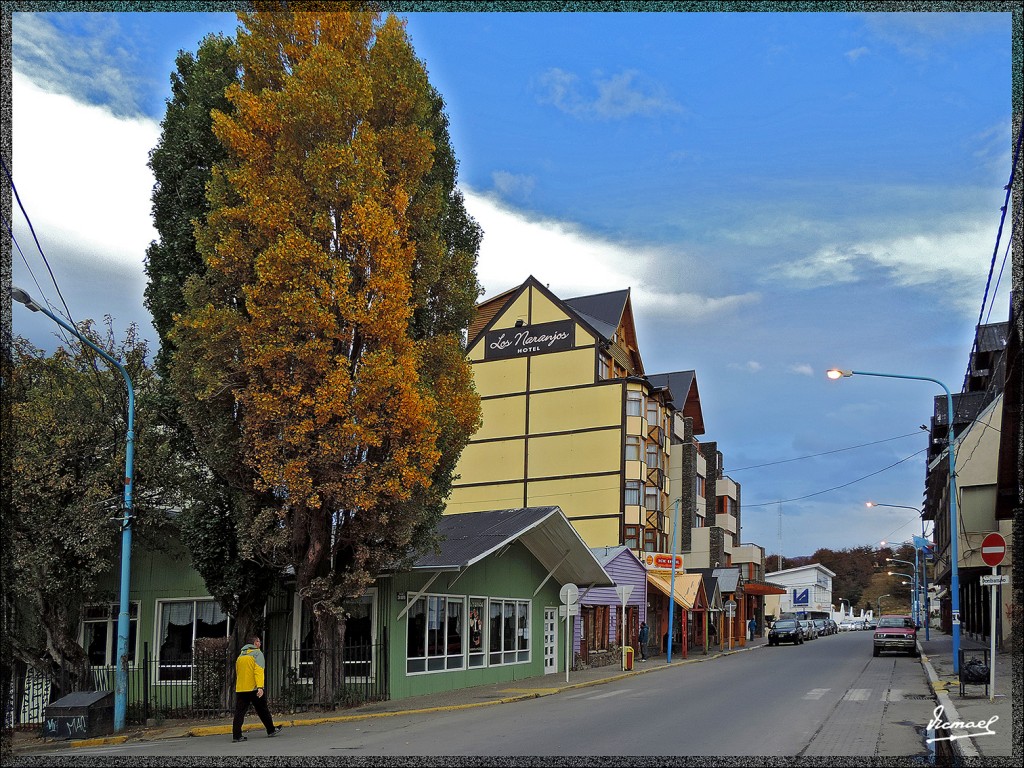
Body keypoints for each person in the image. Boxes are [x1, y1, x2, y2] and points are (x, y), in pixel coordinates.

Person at [232, 635, 283, 742]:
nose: (260, 643)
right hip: (254, 688)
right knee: (262, 709)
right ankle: (271, 729)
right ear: (255, 643)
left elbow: (238, 672)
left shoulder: (241, 655)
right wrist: (260, 687)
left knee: (239, 712)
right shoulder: (257, 654)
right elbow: (259, 671)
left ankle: (236, 735)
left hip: (241, 688)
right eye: (259, 641)